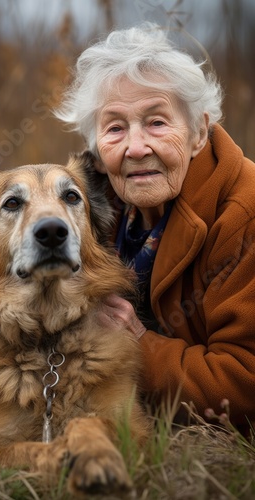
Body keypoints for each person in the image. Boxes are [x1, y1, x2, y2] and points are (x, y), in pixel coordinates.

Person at [55, 23, 255, 434]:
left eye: (157, 122)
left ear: (199, 132)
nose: (136, 147)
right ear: (96, 147)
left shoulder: (243, 217)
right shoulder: (91, 210)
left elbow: (244, 387)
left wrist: (136, 343)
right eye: (114, 128)